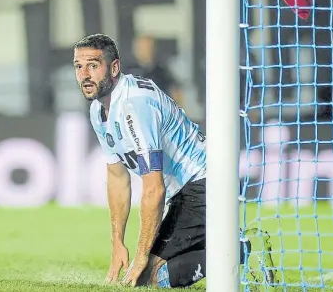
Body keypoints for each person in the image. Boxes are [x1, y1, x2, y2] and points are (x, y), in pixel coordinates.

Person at [72, 33, 250, 288]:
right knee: (147, 274)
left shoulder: (135, 105)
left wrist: (142, 256)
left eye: (93, 65)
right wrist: (117, 243)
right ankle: (220, 238)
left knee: (149, 278)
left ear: (113, 68)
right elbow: (117, 177)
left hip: (205, 185)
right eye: (79, 66)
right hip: (186, 192)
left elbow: (154, 189)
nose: (85, 74)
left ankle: (235, 250)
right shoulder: (97, 110)